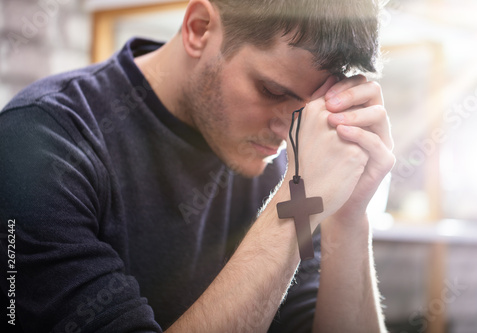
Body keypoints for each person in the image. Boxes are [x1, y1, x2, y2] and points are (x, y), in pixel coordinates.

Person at [0, 0, 395, 332]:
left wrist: (348, 213)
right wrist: (298, 204)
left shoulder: (279, 164)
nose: (286, 132)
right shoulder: (40, 141)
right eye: (272, 91)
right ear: (199, 28)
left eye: (306, 112)